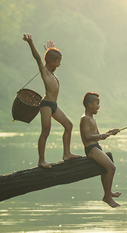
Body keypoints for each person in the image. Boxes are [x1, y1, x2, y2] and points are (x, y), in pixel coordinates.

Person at [22, 33, 80, 168]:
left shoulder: (51, 69)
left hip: (54, 105)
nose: (59, 64)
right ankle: (41, 160)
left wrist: (49, 51)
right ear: (52, 62)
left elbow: (49, 59)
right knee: (46, 131)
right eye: (58, 62)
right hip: (46, 105)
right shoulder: (44, 71)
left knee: (69, 126)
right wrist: (30, 43)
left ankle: (66, 153)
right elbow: (38, 58)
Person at [80, 92, 121, 208]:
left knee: (105, 169)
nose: (99, 106)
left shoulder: (92, 118)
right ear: (89, 105)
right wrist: (102, 135)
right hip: (91, 149)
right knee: (111, 167)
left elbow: (97, 135)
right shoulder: (85, 119)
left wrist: (109, 133)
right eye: (97, 103)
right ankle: (107, 196)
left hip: (96, 146)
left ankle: (108, 193)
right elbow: (86, 136)